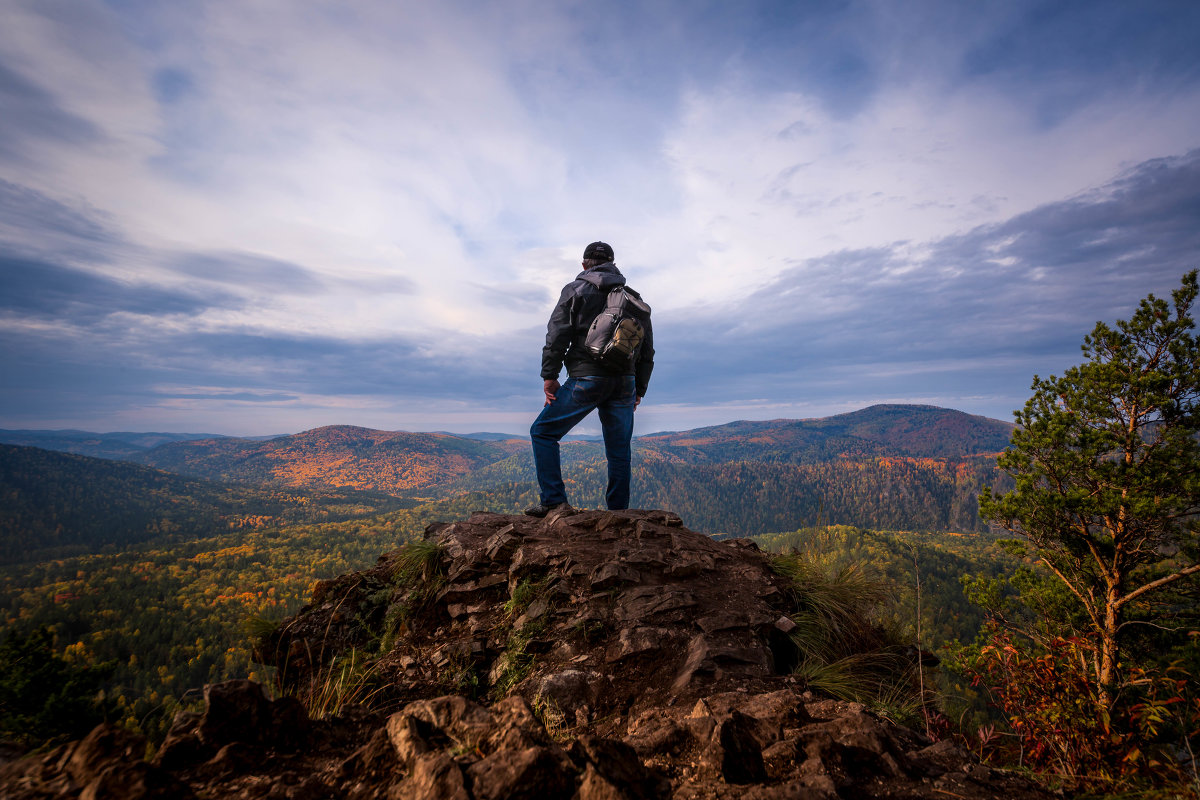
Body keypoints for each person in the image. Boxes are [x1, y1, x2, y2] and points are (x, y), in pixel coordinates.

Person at [526, 241, 654, 517]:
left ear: (584, 264)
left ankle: (553, 502)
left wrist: (550, 376)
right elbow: (647, 349)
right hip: (624, 382)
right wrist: (639, 388)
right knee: (619, 450)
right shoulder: (633, 297)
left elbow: (557, 335)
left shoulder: (575, 290)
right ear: (614, 264)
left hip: (586, 378)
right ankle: (618, 514)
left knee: (543, 432)